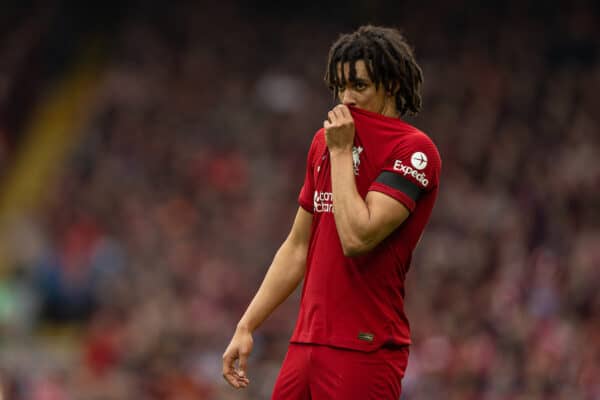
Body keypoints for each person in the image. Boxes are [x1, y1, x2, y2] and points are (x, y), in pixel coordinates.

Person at [222, 24, 441, 399]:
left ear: (391, 85)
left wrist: (341, 153)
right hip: (306, 342)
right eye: (341, 86)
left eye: (359, 86)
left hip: (366, 347)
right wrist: (247, 324)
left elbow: (358, 236)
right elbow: (296, 247)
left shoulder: (414, 152)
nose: (346, 98)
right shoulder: (323, 142)